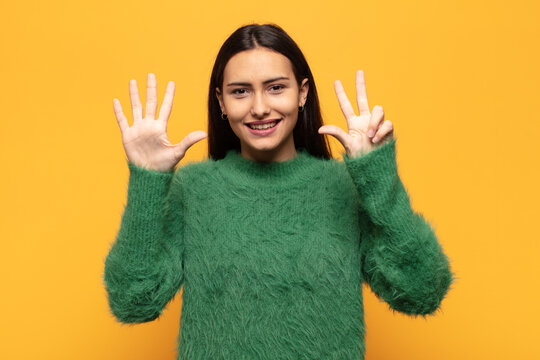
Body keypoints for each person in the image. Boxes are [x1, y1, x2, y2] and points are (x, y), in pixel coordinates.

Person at [103, 23, 455, 360]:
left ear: (302, 93)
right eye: (240, 91)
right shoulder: (192, 190)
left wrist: (379, 178)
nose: (259, 107)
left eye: (276, 87)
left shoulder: (346, 186)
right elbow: (133, 302)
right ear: (221, 102)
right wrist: (147, 180)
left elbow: (422, 290)